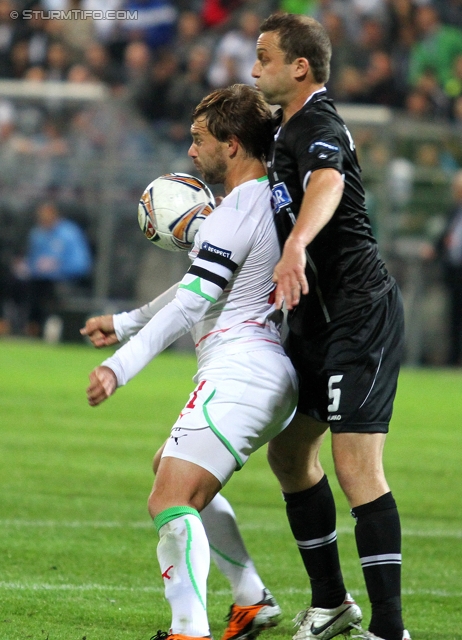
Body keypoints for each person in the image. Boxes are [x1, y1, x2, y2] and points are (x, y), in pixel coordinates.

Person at [82, 84, 299, 640]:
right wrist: (126, 321)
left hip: (241, 372)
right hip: (266, 372)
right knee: (171, 469)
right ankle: (251, 598)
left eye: (197, 139)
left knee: (170, 498)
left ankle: (188, 631)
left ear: (230, 144)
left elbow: (192, 305)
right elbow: (199, 289)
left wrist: (119, 367)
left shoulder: (236, 210)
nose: (190, 151)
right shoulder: (259, 201)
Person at [251, 13, 410, 640]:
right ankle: (333, 603)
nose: (254, 65)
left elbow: (327, 181)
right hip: (317, 319)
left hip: (358, 311)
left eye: (264, 56)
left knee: (356, 466)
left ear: (300, 66)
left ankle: (391, 631)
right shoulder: (283, 126)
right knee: (290, 455)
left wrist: (297, 248)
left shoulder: (318, 122)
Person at [7, 200, 92, 336]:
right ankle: (22, 327)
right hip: (37, 280)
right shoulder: (37, 234)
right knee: (15, 284)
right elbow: (32, 261)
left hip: (64, 280)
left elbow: (81, 264)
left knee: (45, 292)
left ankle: (45, 328)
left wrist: (58, 267)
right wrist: (27, 265)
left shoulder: (69, 233)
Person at [435, 169, 462, 366]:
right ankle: (453, 360)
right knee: (454, 318)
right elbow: (444, 236)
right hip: (455, 272)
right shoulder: (454, 211)